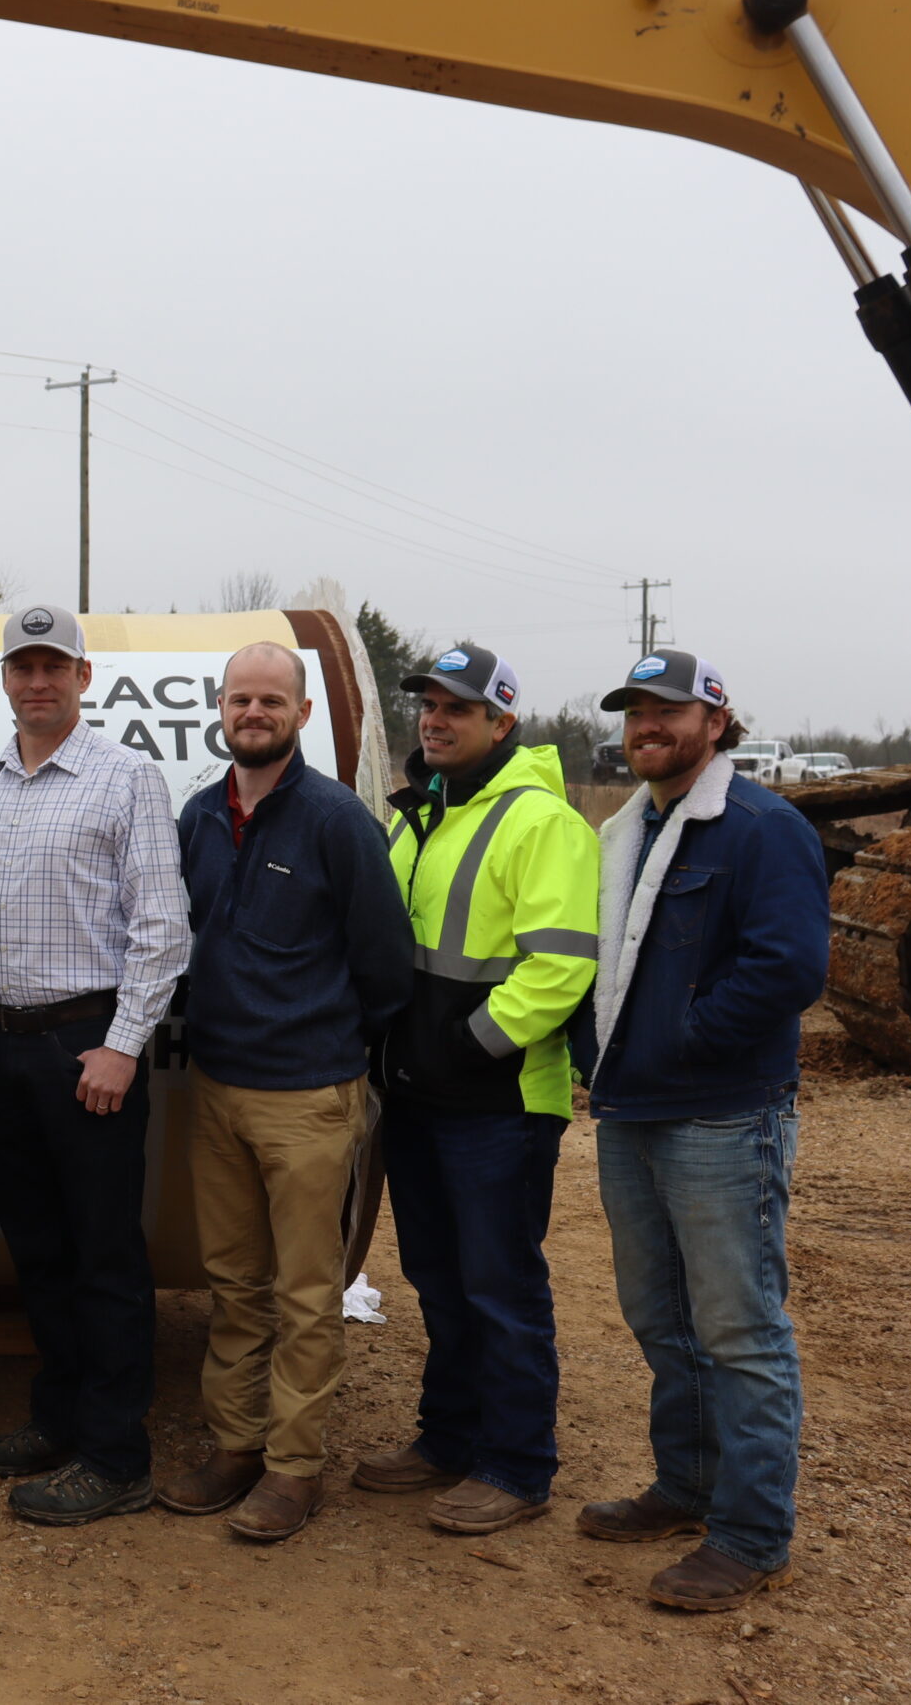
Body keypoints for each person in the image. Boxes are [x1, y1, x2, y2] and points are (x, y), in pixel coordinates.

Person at [573, 652, 828, 1610]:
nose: (648, 723)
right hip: (630, 1111)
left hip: (722, 1114)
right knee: (660, 1317)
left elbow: (790, 966)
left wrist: (681, 1043)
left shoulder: (762, 828)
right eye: (636, 710)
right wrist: (596, 1055)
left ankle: (753, 1532)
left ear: (715, 721)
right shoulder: (625, 828)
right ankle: (685, 1486)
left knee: (739, 1328)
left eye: (667, 709)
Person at [0, 606, 190, 1528]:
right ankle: (60, 1418)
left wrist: (123, 1046)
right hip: (1, 1051)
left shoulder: (128, 781)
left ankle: (118, 1454)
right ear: (3, 680)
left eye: (55, 666)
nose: (37, 681)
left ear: (85, 677)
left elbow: (163, 929)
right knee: (38, 1251)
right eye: (22, 667)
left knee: (105, 1256)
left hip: (87, 1050)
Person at [162, 642, 411, 1540]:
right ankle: (235, 1446)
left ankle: (293, 1466)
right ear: (220, 712)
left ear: (302, 713)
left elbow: (386, 964)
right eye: (240, 699)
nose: (253, 712)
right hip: (217, 1090)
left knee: (307, 1291)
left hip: (308, 1096)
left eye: (271, 698)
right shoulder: (198, 817)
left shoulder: (339, 821)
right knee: (233, 1284)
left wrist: (332, 1046)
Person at [357, 642, 599, 1535]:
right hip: (419, 1094)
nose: (436, 718)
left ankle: (518, 1463)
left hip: (497, 1101)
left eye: (458, 707)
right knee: (437, 1279)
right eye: (428, 704)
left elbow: (561, 967)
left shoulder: (541, 822)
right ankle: (448, 1437)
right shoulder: (419, 813)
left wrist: (468, 1045)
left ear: (502, 721)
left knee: (500, 1285)